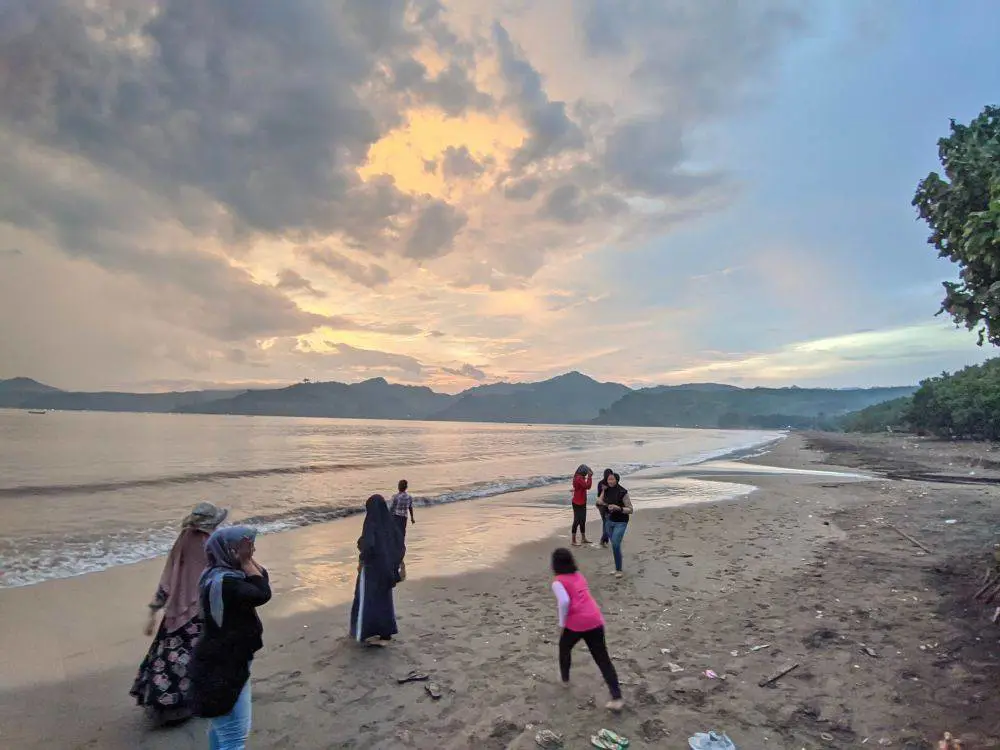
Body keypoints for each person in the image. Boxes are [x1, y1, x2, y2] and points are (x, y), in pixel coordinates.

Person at [130, 502, 228, 725]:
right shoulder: (211, 544)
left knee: (167, 656)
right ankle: (186, 704)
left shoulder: (183, 539)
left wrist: (155, 609)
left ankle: (161, 704)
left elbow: (168, 575)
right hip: (199, 610)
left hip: (176, 609)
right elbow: (220, 577)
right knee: (195, 657)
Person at [190, 526, 271, 750]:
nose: (251, 549)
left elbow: (262, 577)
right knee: (234, 738)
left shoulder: (219, 574)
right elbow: (262, 593)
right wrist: (246, 562)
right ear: (229, 551)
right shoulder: (225, 583)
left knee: (222, 732)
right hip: (223, 669)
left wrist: (247, 559)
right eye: (245, 547)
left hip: (224, 663)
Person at [550, 548, 624, 711]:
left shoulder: (558, 582)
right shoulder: (579, 576)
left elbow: (564, 602)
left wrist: (562, 624)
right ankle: (617, 697)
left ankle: (565, 680)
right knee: (603, 659)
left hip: (576, 623)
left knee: (564, 648)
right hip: (595, 619)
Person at [350, 494, 405, 646]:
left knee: (365, 600)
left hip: (372, 569)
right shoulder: (390, 524)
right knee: (385, 602)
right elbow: (400, 545)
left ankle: (362, 633)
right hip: (387, 569)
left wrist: (361, 557)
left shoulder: (371, 522)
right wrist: (396, 563)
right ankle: (385, 634)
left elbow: (368, 545)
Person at [595, 472, 633, 576]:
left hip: (621, 521)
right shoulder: (606, 490)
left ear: (616, 479)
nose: (610, 481)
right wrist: (603, 490)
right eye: (608, 479)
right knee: (615, 546)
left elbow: (630, 509)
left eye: (612, 479)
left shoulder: (623, 492)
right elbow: (599, 502)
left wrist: (619, 508)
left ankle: (619, 570)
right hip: (609, 521)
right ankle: (618, 568)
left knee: (616, 544)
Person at [570, 464, 593, 546]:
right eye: (586, 472)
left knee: (582, 520)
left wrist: (588, 475)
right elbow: (588, 486)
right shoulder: (579, 478)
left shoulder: (578, 477)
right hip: (577, 502)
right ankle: (573, 540)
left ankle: (583, 538)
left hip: (581, 501)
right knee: (577, 521)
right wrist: (590, 477)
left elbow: (580, 487)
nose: (587, 473)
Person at [595, 469, 614, 548]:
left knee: (606, 522)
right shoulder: (608, 483)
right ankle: (604, 540)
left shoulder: (600, 483)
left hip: (601, 505)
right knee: (607, 522)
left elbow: (598, 495)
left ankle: (605, 539)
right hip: (604, 505)